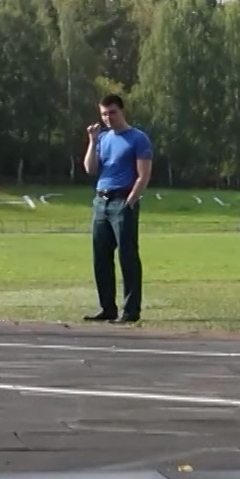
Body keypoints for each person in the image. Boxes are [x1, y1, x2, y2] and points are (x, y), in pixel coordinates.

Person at [82, 93, 152, 324]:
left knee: (127, 256)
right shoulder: (102, 138)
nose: (108, 118)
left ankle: (131, 311)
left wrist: (131, 200)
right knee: (100, 257)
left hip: (123, 201)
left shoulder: (138, 138)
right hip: (101, 201)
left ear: (122, 111)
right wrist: (92, 141)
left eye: (112, 112)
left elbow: (143, 175)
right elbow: (90, 169)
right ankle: (107, 308)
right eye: (103, 114)